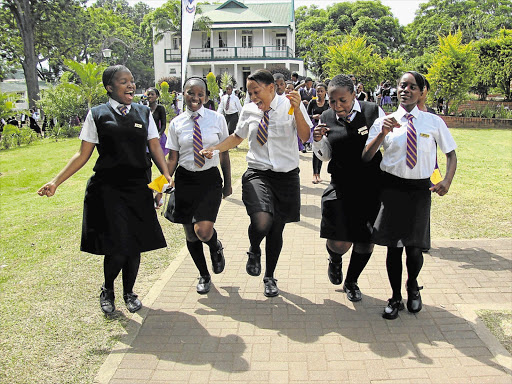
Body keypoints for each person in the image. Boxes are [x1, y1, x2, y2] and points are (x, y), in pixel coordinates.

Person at [37, 65, 171, 315]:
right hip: (108, 189)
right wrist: (56, 182)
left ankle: (129, 292)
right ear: (109, 87)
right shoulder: (97, 114)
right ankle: (107, 289)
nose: (131, 85)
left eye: (132, 81)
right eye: (123, 81)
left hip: (137, 188)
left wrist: (165, 175)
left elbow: (154, 146)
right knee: (118, 246)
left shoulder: (143, 113)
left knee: (135, 244)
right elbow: (82, 154)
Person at [201, 69, 312, 297]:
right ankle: (253, 249)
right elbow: (237, 137)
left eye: (256, 92)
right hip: (257, 173)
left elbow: (304, 136)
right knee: (262, 221)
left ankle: (270, 276)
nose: (253, 98)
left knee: (276, 229)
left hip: (286, 176)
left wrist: (299, 109)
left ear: (271, 88)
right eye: (250, 93)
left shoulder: (291, 105)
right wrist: (215, 148)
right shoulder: (249, 109)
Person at [362, 71, 457, 320]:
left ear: (421, 92)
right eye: (403, 86)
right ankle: (395, 297)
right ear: (397, 89)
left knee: (414, 248)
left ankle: (412, 285)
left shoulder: (432, 122)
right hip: (392, 189)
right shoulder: (386, 121)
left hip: (419, 190)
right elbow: (366, 156)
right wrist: (382, 132)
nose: (406, 90)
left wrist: (446, 180)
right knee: (393, 248)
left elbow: (451, 153)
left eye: (413, 87)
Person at [312, 74, 386, 302]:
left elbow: (390, 143)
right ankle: (335, 259)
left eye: (343, 100)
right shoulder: (326, 116)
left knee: (365, 240)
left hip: (371, 185)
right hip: (341, 185)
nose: (337, 106)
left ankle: (352, 281)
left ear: (354, 95)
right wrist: (316, 140)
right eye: (333, 102)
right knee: (339, 241)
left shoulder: (373, 112)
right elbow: (324, 156)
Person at [165, 77, 232, 295]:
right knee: (190, 234)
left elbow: (225, 152)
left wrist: (228, 183)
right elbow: (172, 158)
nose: (195, 98)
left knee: (203, 231)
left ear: (206, 96)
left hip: (209, 179)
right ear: (182, 94)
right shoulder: (176, 123)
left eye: (200, 94)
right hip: (185, 181)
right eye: (190, 93)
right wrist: (160, 184)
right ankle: (204, 274)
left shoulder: (217, 119)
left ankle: (215, 245)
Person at [307, 82, 329, 184]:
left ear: (325, 92)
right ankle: (314, 174)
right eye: (317, 91)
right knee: (315, 152)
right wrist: (313, 117)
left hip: (323, 130)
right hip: (314, 129)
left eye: (321, 91)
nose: (319, 93)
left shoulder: (328, 103)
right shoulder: (312, 102)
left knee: (321, 152)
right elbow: (306, 115)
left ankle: (318, 174)